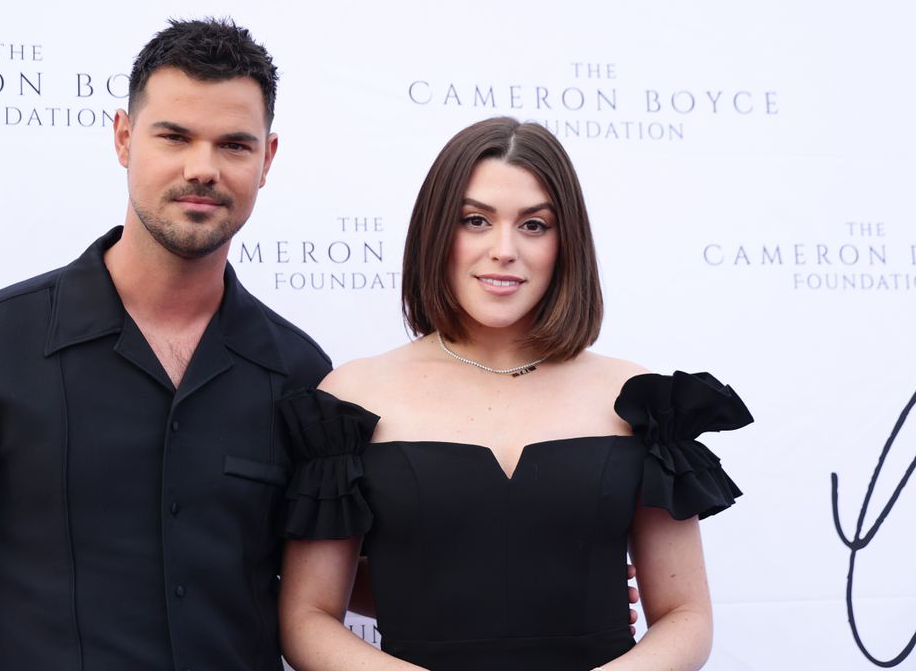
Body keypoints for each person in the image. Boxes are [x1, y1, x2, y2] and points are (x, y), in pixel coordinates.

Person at [0, 18, 334, 670]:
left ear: (267, 159)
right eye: (174, 136)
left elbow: (317, 597)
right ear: (123, 138)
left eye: (233, 145)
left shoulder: (301, 375)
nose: (203, 168)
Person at [277, 117, 752, 671]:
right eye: (475, 221)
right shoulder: (353, 397)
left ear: (565, 241)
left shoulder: (635, 398)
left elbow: (684, 615)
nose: (504, 250)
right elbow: (307, 616)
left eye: (534, 225)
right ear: (436, 232)